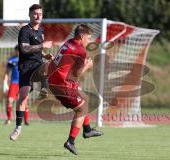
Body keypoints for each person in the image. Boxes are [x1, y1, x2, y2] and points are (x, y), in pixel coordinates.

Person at [48, 24, 103, 155]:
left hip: (55, 80)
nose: (89, 41)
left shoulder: (68, 43)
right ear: (81, 36)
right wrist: (87, 65)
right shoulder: (80, 51)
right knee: (82, 108)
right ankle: (70, 141)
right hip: (62, 84)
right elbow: (76, 74)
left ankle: (87, 129)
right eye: (88, 38)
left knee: (85, 98)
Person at [9, 4, 54, 140]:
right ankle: (18, 127)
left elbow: (38, 50)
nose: (38, 16)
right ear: (29, 15)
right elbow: (25, 49)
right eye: (35, 13)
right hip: (25, 68)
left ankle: (44, 88)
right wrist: (42, 46)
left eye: (40, 13)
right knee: (22, 98)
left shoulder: (41, 31)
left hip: (38, 65)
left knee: (46, 64)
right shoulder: (24, 31)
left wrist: (45, 54)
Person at [3, 45, 29, 126]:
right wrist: (5, 82)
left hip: (23, 83)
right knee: (9, 101)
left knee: (24, 103)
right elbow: (7, 72)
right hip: (14, 83)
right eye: (17, 50)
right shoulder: (12, 60)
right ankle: (9, 119)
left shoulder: (26, 60)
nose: (18, 52)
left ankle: (26, 121)